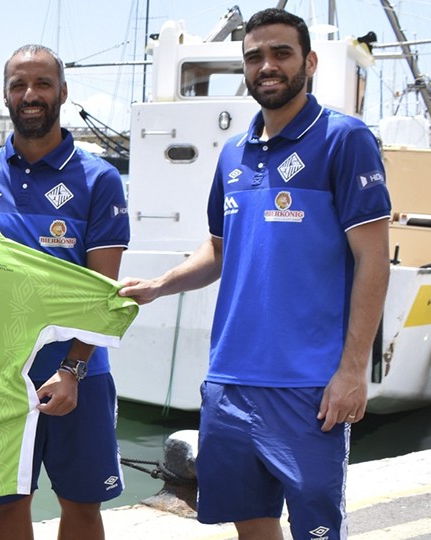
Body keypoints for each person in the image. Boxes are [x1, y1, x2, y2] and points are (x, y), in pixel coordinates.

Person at [118, 9, 390, 540]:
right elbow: (218, 251)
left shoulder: (344, 139)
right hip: (230, 383)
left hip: (309, 387)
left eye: (281, 53)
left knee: (317, 531)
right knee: (250, 526)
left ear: (309, 62)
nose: (267, 65)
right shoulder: (233, 154)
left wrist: (353, 370)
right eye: (255, 56)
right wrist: (160, 285)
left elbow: (373, 260)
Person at [0, 44, 130, 540]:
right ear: (6, 96)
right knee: (6, 508)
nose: (30, 95)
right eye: (18, 85)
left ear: (63, 93)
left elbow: (105, 294)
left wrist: (72, 368)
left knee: (81, 506)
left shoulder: (100, 178)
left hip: (80, 374)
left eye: (42, 84)